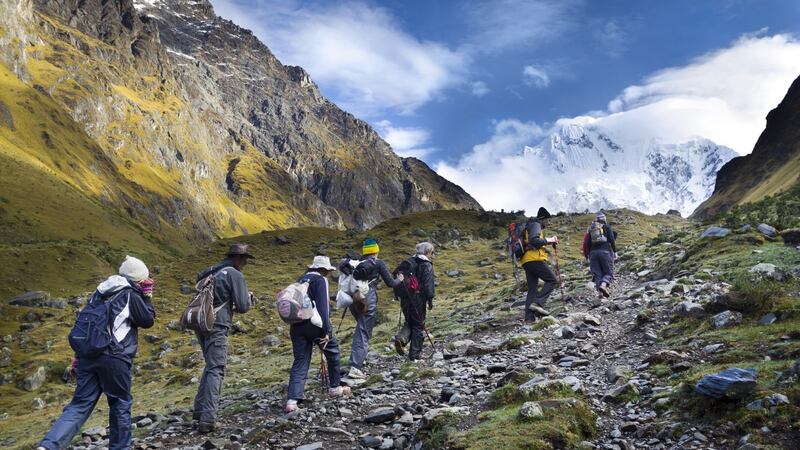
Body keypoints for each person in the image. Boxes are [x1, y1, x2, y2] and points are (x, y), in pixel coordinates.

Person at [38, 256, 156, 450]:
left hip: (87, 356)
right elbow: (147, 320)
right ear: (138, 279)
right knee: (119, 403)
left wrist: (77, 358)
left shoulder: (99, 293)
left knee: (79, 405)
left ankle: (48, 446)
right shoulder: (130, 295)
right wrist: (147, 296)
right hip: (114, 357)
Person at [192, 243, 253, 433]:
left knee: (210, 366)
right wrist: (249, 299)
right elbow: (243, 306)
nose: (245, 263)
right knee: (217, 369)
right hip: (217, 325)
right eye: (244, 260)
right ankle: (208, 419)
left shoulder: (210, 272)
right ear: (239, 258)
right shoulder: (234, 274)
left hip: (201, 323)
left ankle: (200, 410)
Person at [285, 256, 352, 413]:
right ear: (324, 270)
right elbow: (323, 307)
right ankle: (335, 387)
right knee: (332, 350)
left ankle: (292, 401)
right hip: (314, 323)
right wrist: (327, 330)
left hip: (296, 325)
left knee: (301, 360)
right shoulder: (320, 280)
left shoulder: (301, 279)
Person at [347, 239, 403, 378]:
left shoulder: (356, 263)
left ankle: (359, 359)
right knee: (363, 331)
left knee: (362, 327)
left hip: (353, 298)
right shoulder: (378, 263)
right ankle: (355, 367)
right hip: (367, 297)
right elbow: (390, 283)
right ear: (376, 251)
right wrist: (400, 280)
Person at [394, 242, 436, 361]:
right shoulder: (425, 265)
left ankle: (401, 338)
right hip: (418, 298)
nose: (432, 255)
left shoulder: (408, 262)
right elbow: (428, 286)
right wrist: (430, 300)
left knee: (409, 321)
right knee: (418, 325)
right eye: (432, 252)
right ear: (427, 252)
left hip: (405, 298)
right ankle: (414, 356)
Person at [521, 207, 559, 321]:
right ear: (542, 218)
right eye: (547, 220)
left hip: (527, 260)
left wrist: (547, 242)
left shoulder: (531, 225)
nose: (548, 222)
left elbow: (533, 242)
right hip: (534, 259)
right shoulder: (536, 225)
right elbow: (534, 241)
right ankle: (538, 303)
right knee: (552, 280)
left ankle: (529, 319)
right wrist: (549, 240)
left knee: (532, 289)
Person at [582, 211, 617, 298]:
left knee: (597, 274)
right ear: (604, 219)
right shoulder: (607, 227)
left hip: (593, 254)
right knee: (608, 272)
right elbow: (612, 239)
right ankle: (604, 285)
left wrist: (588, 255)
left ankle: (600, 294)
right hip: (605, 252)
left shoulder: (591, 229)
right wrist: (615, 252)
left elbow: (587, 243)